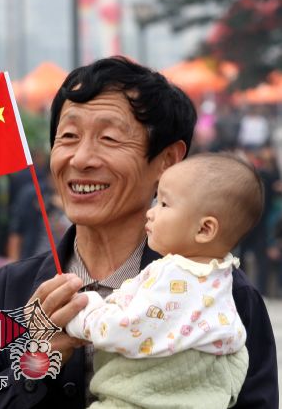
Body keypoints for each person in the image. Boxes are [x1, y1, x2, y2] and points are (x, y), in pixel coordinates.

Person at [0, 57, 278, 409]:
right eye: (68, 136)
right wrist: (34, 368)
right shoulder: (7, 291)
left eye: (109, 138)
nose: (80, 159)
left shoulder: (221, 294)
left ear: (167, 160)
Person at [66, 153, 260, 408]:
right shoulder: (222, 278)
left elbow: (123, 328)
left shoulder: (173, 275)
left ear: (204, 229)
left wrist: (82, 314)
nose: (151, 212)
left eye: (164, 204)